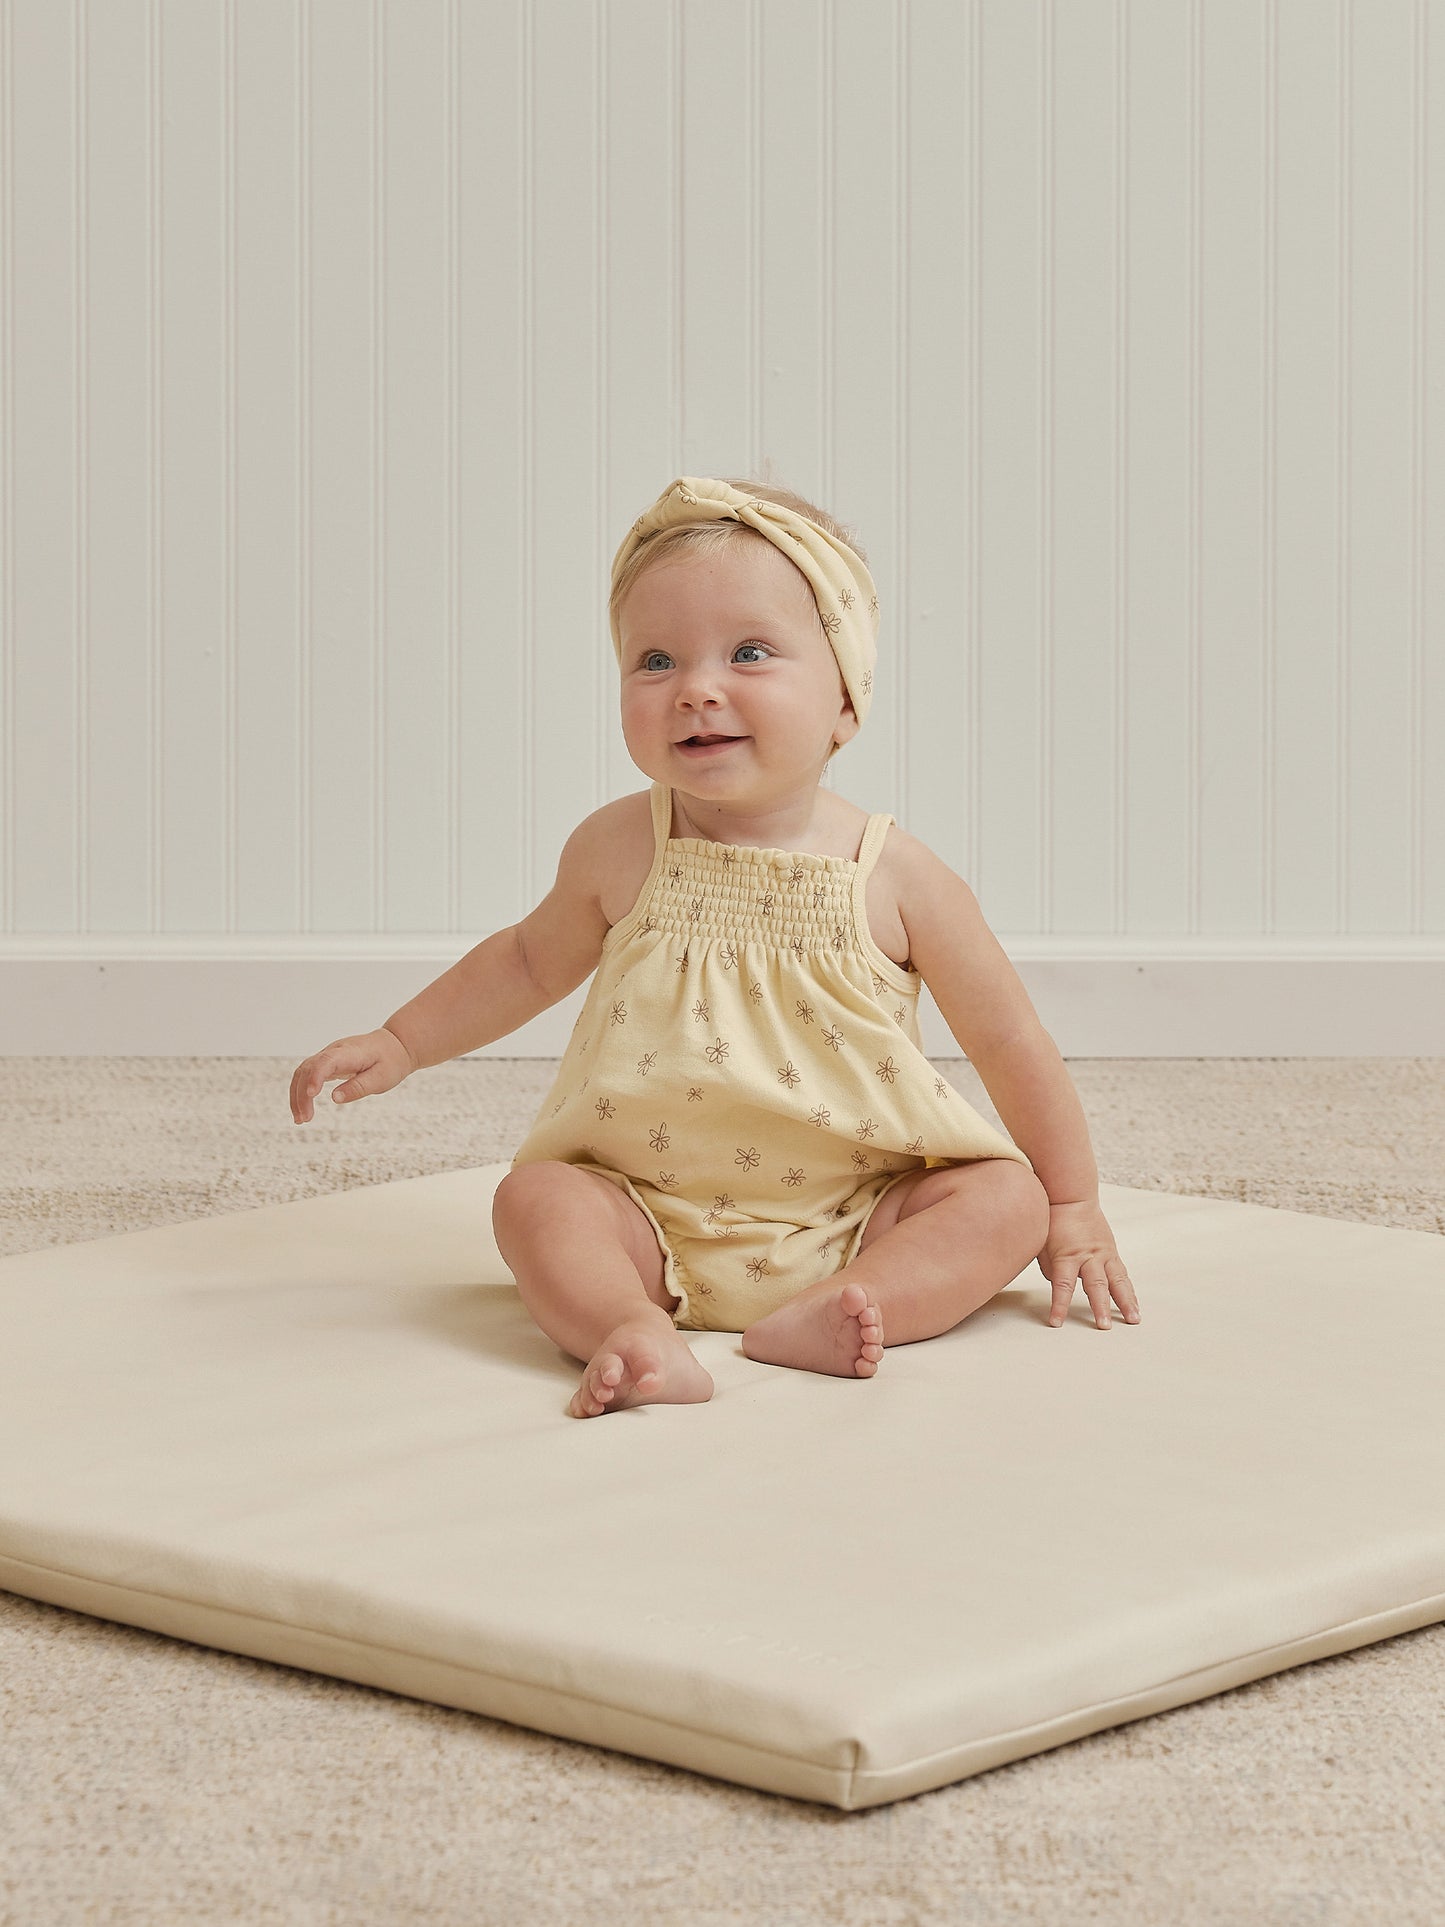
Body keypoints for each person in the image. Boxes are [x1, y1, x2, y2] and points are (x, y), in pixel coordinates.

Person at [290, 474, 1141, 1419]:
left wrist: (1070, 1206)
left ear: (845, 703)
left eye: (748, 652)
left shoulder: (897, 877)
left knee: (1002, 1202)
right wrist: (403, 1040)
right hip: (643, 1208)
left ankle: (840, 1309)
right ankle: (630, 1324)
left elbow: (1009, 1042)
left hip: (858, 1214)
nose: (696, 688)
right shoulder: (620, 847)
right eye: (655, 660)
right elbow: (529, 960)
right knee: (534, 1199)